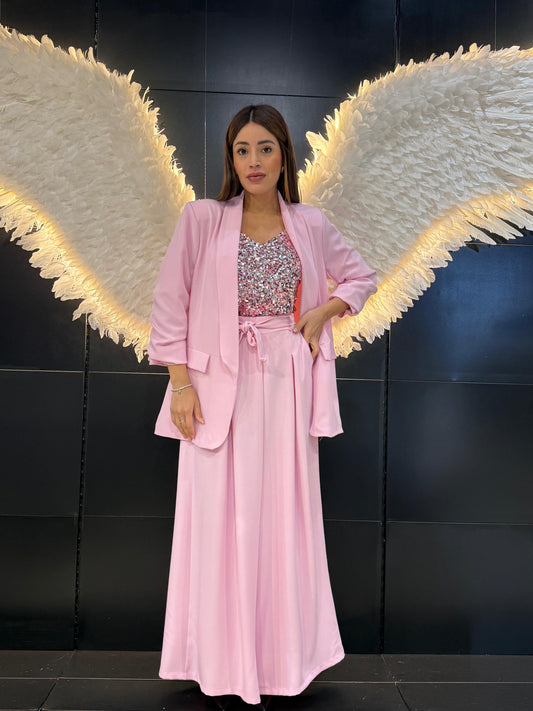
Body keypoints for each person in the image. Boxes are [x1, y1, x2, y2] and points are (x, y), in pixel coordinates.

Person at [147, 104, 378, 710]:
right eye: (242, 149)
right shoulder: (202, 219)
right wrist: (180, 385)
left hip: (285, 387)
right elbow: (170, 303)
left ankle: (276, 666)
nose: (254, 161)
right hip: (213, 389)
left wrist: (322, 313)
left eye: (265, 148)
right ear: (231, 158)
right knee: (216, 523)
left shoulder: (311, 223)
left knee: (280, 521)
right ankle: (220, 665)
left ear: (283, 157)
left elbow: (360, 278)